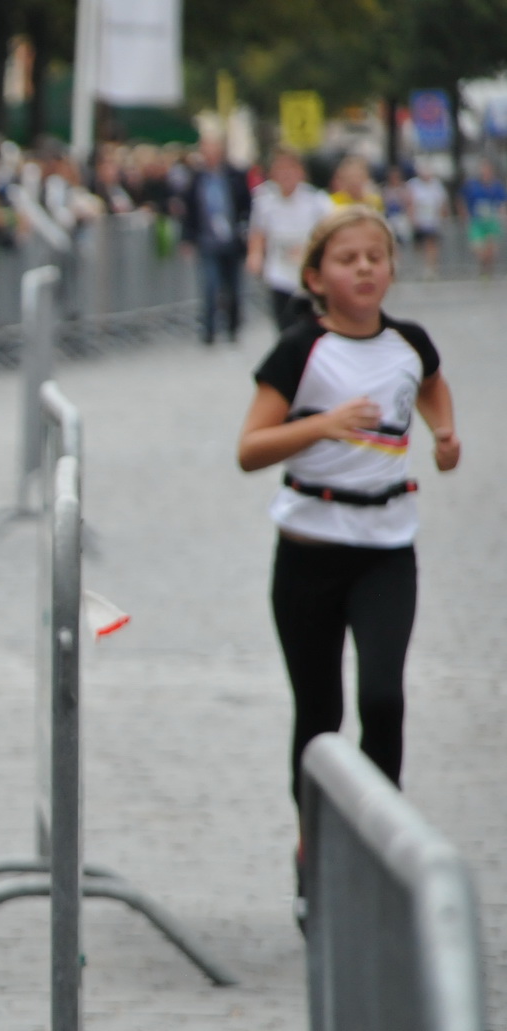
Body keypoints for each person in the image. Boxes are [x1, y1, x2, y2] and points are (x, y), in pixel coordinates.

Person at [235, 206, 460, 922]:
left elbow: (429, 382)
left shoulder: (408, 343)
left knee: (384, 699)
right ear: (314, 278)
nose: (364, 268)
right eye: (346, 259)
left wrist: (443, 430)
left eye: (375, 257)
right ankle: (315, 850)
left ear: (391, 269)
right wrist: (322, 425)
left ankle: (382, 848)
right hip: (308, 552)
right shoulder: (299, 351)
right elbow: (248, 448)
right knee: (321, 713)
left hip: (387, 550)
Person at [248, 147, 332, 330]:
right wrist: (255, 255)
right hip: (279, 269)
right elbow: (258, 231)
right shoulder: (265, 200)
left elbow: (329, 233)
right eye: (280, 170)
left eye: (290, 169)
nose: (286, 175)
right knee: (285, 325)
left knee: (310, 325)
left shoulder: (316, 201)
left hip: (307, 271)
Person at [183, 135, 251, 344]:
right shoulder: (197, 178)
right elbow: (190, 211)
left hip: (232, 239)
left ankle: (232, 326)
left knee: (232, 287)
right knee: (210, 285)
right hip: (207, 240)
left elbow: (246, 204)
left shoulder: (234, 176)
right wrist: (187, 238)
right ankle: (209, 330)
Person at [459, 158, 506, 278]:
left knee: (491, 249)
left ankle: (488, 271)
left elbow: (502, 203)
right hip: (477, 220)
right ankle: (482, 266)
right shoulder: (472, 186)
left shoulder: (497, 186)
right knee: (479, 249)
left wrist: (502, 214)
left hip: (491, 220)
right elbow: (462, 200)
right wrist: (464, 214)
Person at [405, 162, 448, 279]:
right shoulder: (413, 184)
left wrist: (442, 218)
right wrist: (411, 218)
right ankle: (419, 266)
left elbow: (442, 203)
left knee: (431, 244)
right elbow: (409, 202)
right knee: (418, 245)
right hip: (419, 220)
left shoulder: (436, 185)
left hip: (432, 221)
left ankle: (431, 268)